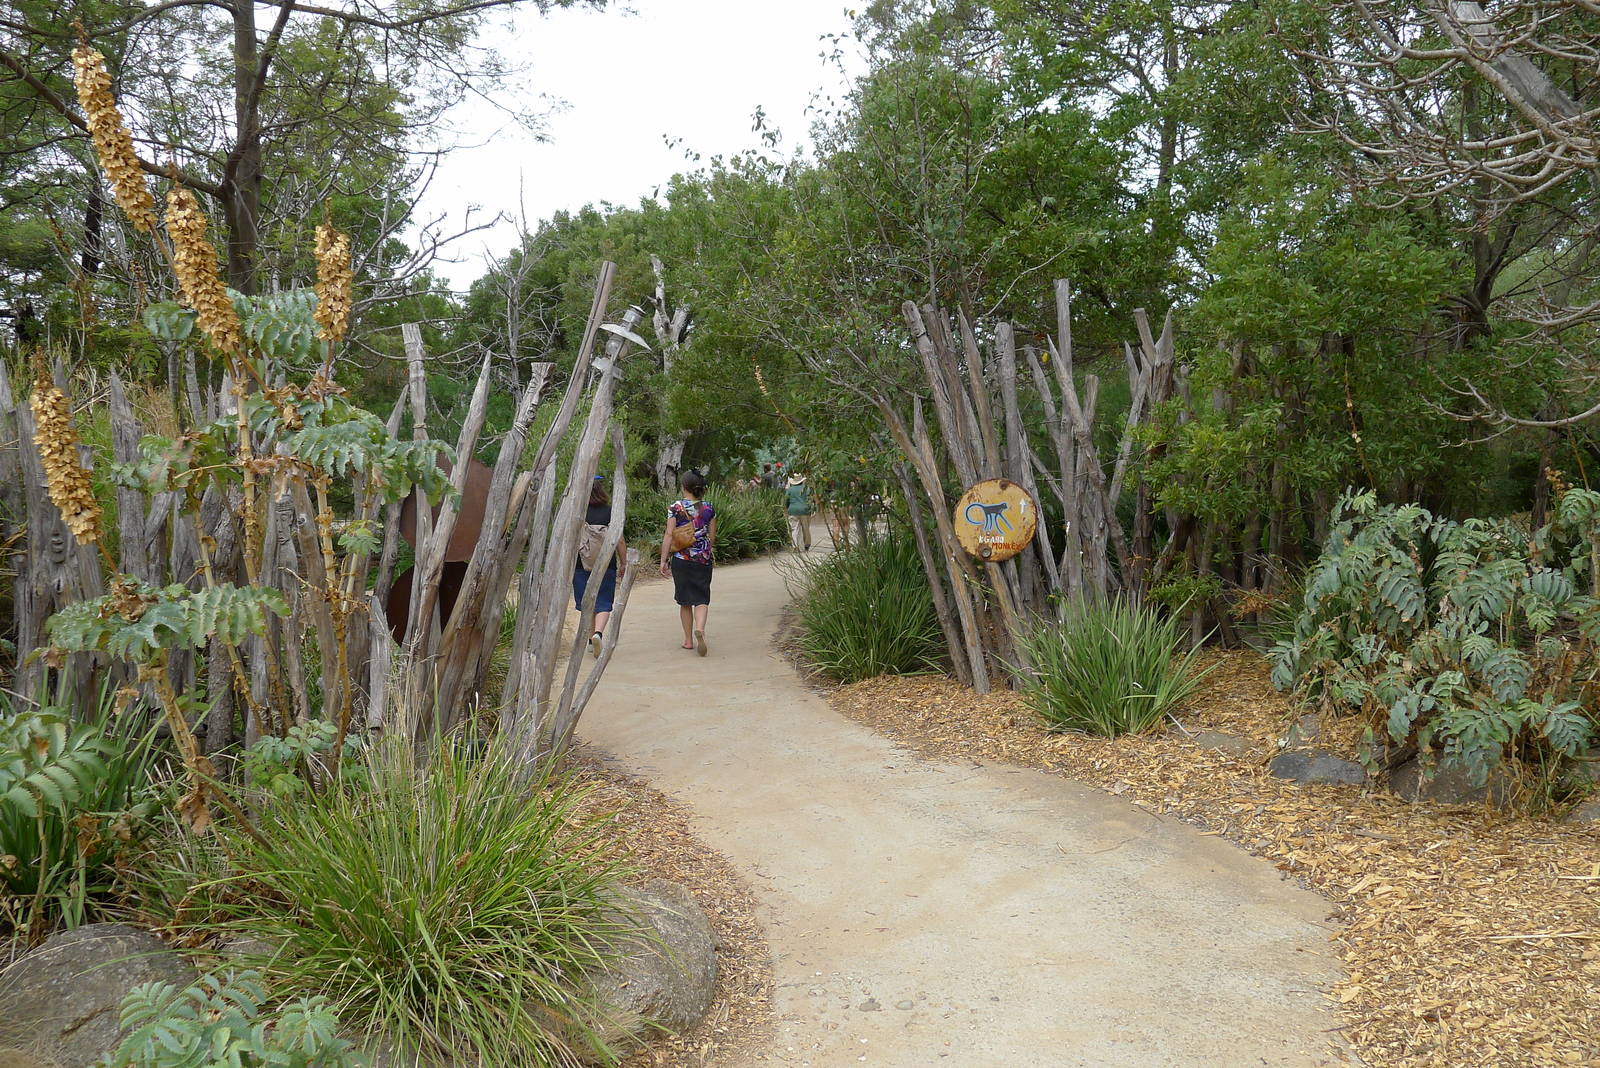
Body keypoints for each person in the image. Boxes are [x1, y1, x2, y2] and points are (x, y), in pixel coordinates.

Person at [660, 469, 716, 656]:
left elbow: (669, 534)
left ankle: (688, 640)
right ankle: (700, 628)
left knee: (684, 602)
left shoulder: (675, 508)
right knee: (701, 598)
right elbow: (712, 536)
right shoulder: (708, 508)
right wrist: (706, 551)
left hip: (681, 560)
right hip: (703, 559)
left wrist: (663, 560)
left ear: (684, 487)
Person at [574, 476, 626, 658]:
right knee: (604, 601)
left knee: (586, 602)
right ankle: (598, 633)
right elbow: (619, 540)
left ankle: (590, 640)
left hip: (580, 564)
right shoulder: (610, 512)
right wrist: (623, 562)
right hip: (606, 564)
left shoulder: (577, 512)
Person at [785, 472, 815, 551]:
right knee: (805, 528)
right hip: (805, 510)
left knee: (794, 528)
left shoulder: (790, 489)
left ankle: (795, 545)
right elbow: (810, 499)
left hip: (793, 510)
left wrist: (787, 508)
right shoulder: (806, 488)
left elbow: (786, 500)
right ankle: (806, 544)